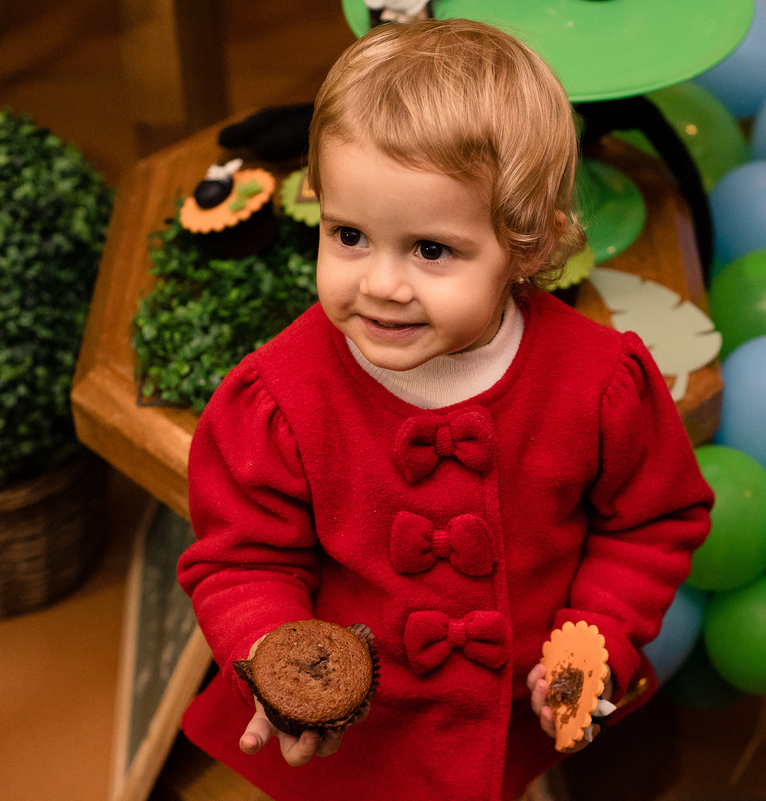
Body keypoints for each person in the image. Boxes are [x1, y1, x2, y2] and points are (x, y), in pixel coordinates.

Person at [178, 18, 713, 801]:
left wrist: (601, 629)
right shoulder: (277, 398)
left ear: (529, 246)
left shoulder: (599, 383)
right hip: (352, 743)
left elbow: (649, 522)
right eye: (350, 234)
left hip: (519, 718)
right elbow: (242, 559)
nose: (383, 283)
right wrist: (273, 652)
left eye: (431, 249)